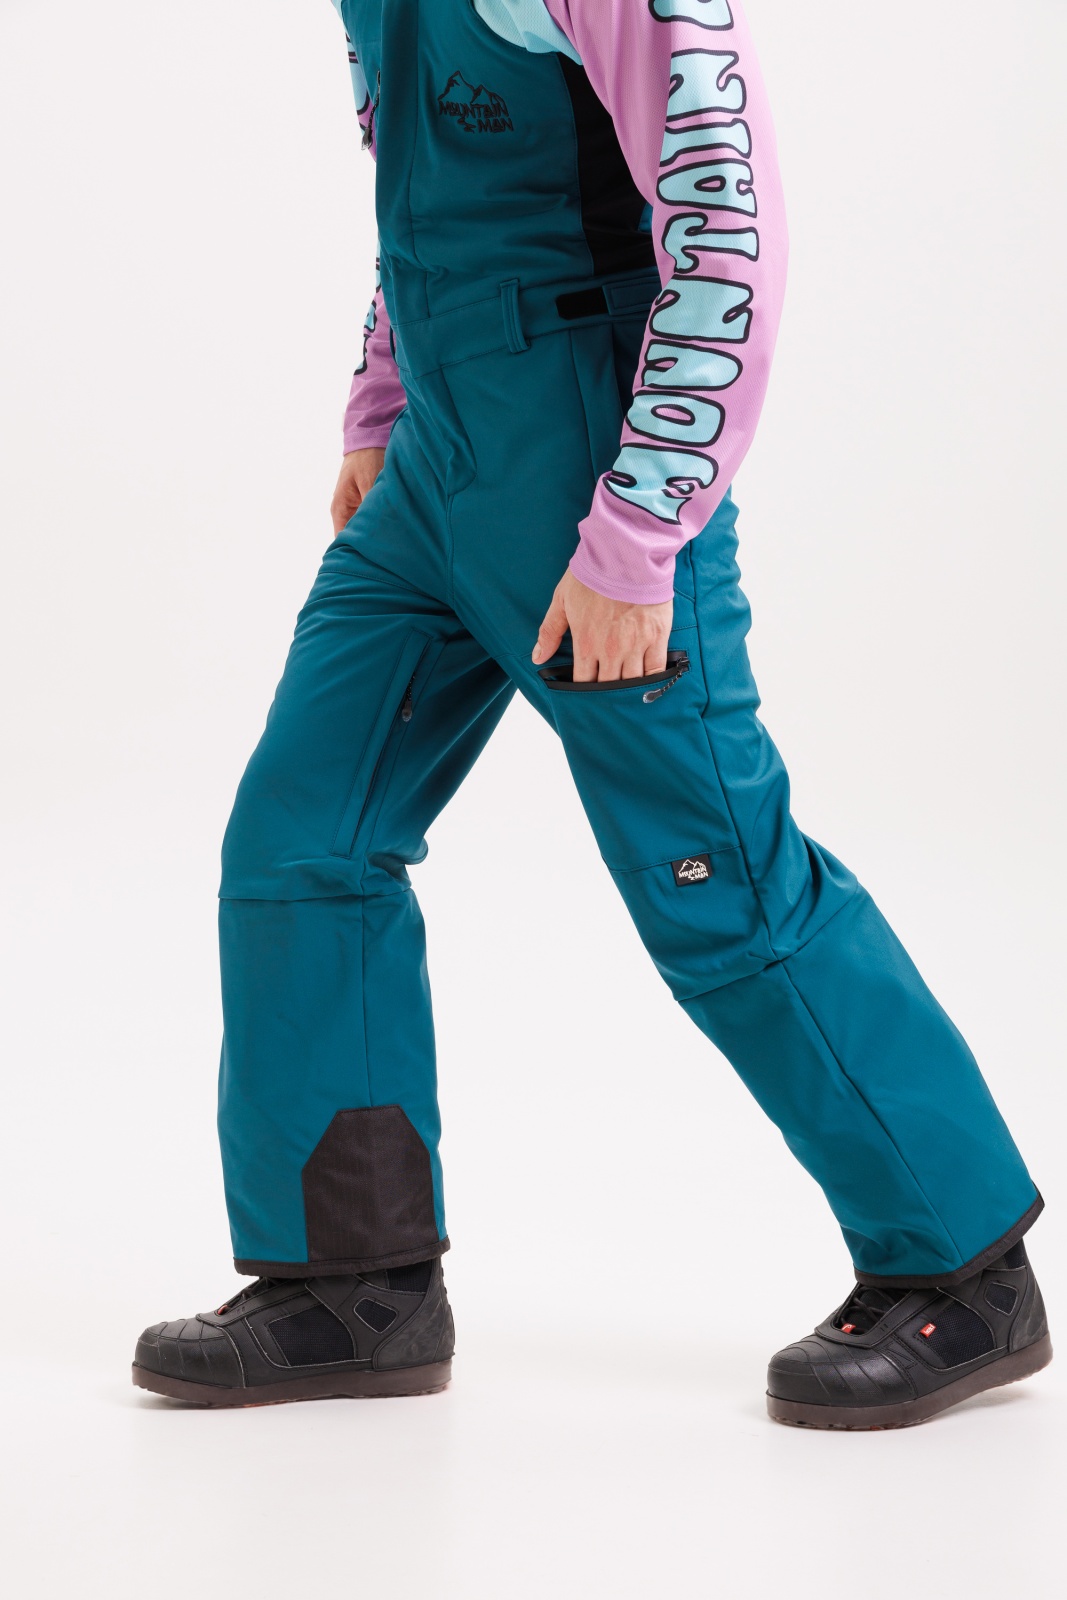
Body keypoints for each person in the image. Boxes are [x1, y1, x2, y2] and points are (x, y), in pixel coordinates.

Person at [132, 0, 1050, 1427]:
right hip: (440, 464)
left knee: (719, 884)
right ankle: (351, 1288)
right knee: (302, 838)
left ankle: (964, 1266)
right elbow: (421, 198)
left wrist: (641, 532)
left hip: (590, 468)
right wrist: (382, 405)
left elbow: (725, 226)